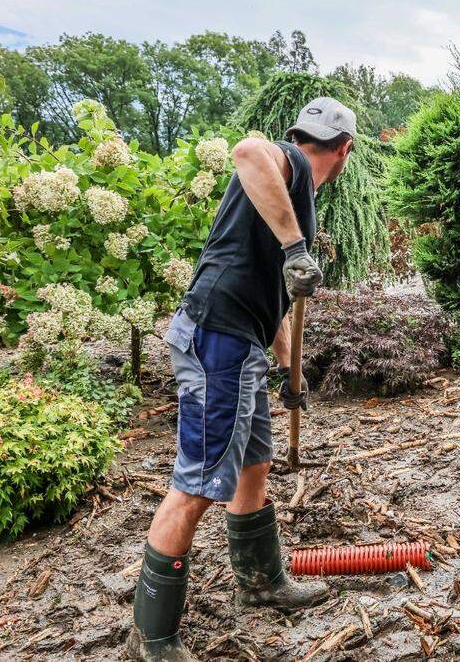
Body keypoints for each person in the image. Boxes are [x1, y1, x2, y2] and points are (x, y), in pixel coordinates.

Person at [126, 97, 358, 661]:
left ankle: (262, 581)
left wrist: (288, 371)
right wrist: (297, 247)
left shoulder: (287, 193)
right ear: (345, 151)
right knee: (198, 484)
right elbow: (246, 150)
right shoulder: (288, 165)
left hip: (241, 339)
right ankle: (151, 638)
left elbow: (273, 302)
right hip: (218, 341)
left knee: (253, 464)